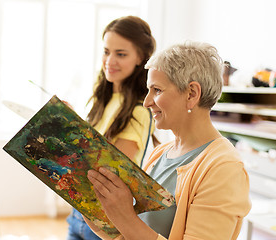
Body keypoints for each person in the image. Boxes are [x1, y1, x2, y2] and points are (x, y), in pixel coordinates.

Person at [85, 41, 252, 239]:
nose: (147, 102)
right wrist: (92, 208)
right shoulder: (160, 154)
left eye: (157, 90)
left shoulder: (224, 167)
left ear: (191, 94)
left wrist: (125, 217)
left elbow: (131, 224)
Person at [66, 15, 157, 240]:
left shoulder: (139, 110)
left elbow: (108, 173)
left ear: (141, 58)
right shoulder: (103, 100)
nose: (110, 60)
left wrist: (69, 130)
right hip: (78, 214)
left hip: (106, 223)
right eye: (106, 51)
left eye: (121, 54)